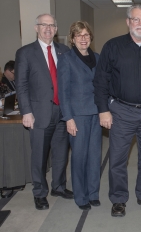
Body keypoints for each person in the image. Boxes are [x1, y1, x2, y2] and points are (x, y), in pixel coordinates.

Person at [94, 5, 141, 217]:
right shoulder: (112, 46)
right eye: (136, 20)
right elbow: (101, 81)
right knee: (117, 159)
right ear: (128, 22)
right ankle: (118, 199)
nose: (140, 24)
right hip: (121, 112)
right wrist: (103, 110)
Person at [15, 13, 73, 210]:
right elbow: (21, 85)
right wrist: (26, 111)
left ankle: (58, 186)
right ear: (36, 28)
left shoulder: (65, 51)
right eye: (44, 25)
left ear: (56, 29)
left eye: (52, 26)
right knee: (39, 156)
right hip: (39, 113)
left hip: (62, 113)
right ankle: (39, 193)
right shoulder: (25, 53)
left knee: (61, 154)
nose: (48, 29)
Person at [57, 21, 102, 211]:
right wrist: (68, 118)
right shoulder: (66, 60)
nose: (83, 38)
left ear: (90, 37)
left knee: (94, 156)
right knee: (79, 157)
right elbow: (63, 92)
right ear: (72, 39)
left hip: (96, 113)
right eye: (79, 35)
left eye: (86, 35)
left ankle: (93, 193)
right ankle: (81, 196)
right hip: (78, 116)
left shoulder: (98, 57)